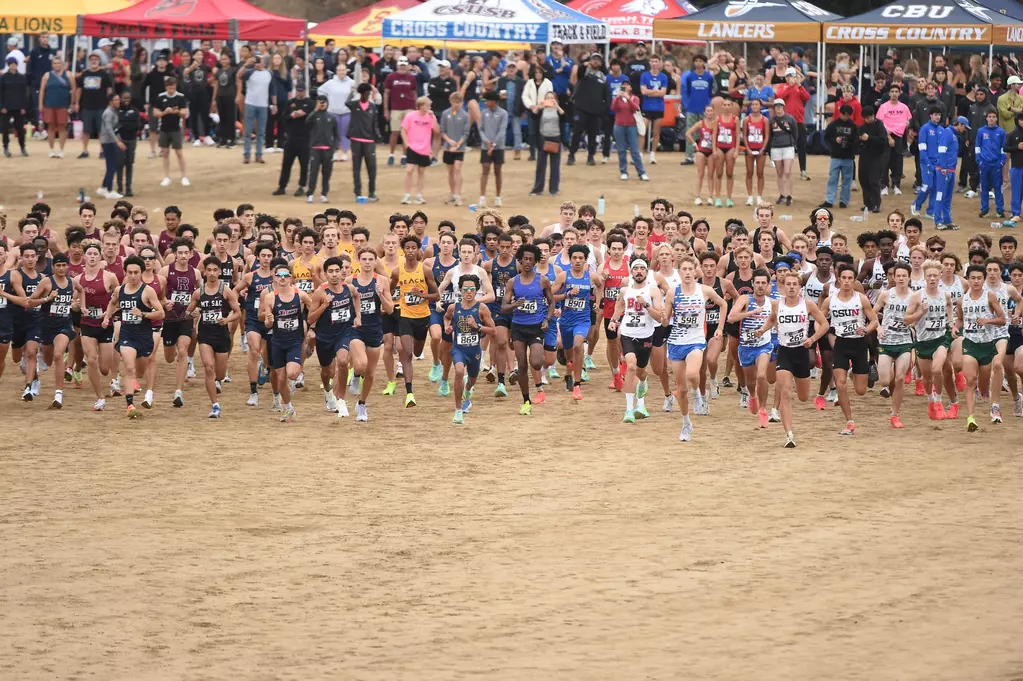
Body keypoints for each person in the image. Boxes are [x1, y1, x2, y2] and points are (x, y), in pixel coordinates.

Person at [761, 269, 829, 447]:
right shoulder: (777, 304)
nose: (791, 287)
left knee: (803, 396)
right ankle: (789, 435)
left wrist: (812, 339)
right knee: (784, 392)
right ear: (783, 286)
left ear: (800, 287)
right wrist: (762, 329)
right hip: (784, 352)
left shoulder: (808, 305)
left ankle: (800, 391)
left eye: (795, 284)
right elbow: (771, 320)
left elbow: (824, 324)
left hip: (801, 353)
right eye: (788, 284)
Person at [102, 255, 165, 419]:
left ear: (141, 273)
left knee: (140, 371)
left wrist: (143, 314)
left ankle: (142, 390)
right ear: (125, 273)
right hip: (127, 334)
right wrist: (107, 317)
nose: (132, 276)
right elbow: (113, 302)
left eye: (136, 272)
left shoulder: (147, 291)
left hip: (144, 336)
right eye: (129, 272)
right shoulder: (120, 290)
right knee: (129, 368)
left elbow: (161, 313)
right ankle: (130, 404)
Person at [819, 264, 879, 435]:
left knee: (861, 390)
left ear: (854, 280)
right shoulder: (831, 300)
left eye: (850, 278)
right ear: (838, 279)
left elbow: (874, 320)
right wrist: (818, 330)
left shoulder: (861, 299)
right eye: (843, 278)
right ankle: (849, 422)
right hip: (841, 344)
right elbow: (820, 317)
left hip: (859, 344)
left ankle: (855, 373)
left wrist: (867, 330)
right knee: (841, 384)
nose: (846, 281)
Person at [500, 244, 554, 415]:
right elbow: (503, 307)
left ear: (536, 261)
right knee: (522, 364)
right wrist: (515, 304)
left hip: (536, 327)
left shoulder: (542, 280)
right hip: (518, 327)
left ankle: (537, 382)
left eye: (531, 259)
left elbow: (551, 302)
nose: (528, 262)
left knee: (536, 362)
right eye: (525, 259)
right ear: (520, 260)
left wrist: (547, 319)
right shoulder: (512, 282)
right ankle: (526, 400)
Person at [608, 257, 662, 423]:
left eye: (642, 269)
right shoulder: (625, 291)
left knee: (641, 371)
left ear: (646, 272)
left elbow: (659, 317)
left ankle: (643, 390)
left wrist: (646, 305)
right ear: (631, 272)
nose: (639, 271)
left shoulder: (653, 290)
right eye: (636, 268)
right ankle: (629, 409)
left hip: (646, 335)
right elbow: (619, 307)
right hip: (627, 334)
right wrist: (613, 320)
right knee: (630, 366)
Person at [260, 260, 313, 422]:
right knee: (280, 377)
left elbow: (313, 310)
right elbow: (267, 323)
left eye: (285, 275)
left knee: (292, 374)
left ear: (291, 277)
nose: (282, 278)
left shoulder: (300, 295)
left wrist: (311, 328)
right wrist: (269, 320)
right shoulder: (270, 298)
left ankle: (294, 379)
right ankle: (289, 408)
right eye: (279, 275)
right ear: (274, 278)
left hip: (295, 341)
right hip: (277, 341)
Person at [187, 257, 241, 418]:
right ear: (205, 272)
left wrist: (226, 320)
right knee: (208, 367)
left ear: (219, 272)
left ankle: (218, 381)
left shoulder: (226, 291)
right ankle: (215, 405)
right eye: (208, 270)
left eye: (214, 270)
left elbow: (237, 312)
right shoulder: (199, 292)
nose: (211, 273)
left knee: (220, 374)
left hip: (222, 335)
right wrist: (193, 313)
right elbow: (187, 312)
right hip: (205, 334)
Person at [308, 256, 361, 417]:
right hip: (324, 337)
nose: (334, 274)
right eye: (330, 271)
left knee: (343, 361)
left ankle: (341, 400)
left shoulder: (349, 288)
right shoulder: (320, 292)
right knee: (327, 372)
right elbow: (310, 319)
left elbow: (357, 297)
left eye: (337, 271)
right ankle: (327, 391)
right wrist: (324, 305)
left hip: (343, 333)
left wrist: (358, 316)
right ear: (325, 274)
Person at [390, 235, 438, 407]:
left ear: (418, 250)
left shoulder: (425, 270)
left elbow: (437, 295)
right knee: (407, 353)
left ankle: (410, 387)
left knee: (417, 352)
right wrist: (388, 304)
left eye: (413, 248)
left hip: (422, 316)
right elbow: (390, 292)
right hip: (405, 316)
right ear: (403, 250)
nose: (410, 251)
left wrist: (421, 295)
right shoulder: (397, 272)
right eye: (407, 248)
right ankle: (409, 393)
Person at [956, 264, 1006, 432]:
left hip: (987, 345)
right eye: (973, 278)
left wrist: (987, 321)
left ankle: (985, 392)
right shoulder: (962, 300)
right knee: (970, 380)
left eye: (979, 278)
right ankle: (971, 418)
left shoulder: (990, 296)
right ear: (968, 279)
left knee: (983, 386)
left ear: (983, 279)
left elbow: (1002, 319)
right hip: (970, 344)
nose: (976, 281)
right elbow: (960, 320)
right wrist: (955, 328)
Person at [29, 253, 81, 408]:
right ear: (53, 267)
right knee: (49, 359)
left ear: (67, 266)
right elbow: (30, 301)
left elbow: (81, 290)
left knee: (59, 354)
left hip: (64, 325)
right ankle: (37, 371)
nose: (61, 268)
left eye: (64, 265)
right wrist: (47, 299)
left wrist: (79, 306)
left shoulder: (71, 282)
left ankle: (58, 393)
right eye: (58, 265)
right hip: (46, 326)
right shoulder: (46, 282)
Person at [906, 259, 955, 420]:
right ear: (924, 277)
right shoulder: (916, 296)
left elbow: (949, 308)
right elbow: (906, 319)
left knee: (937, 370)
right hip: (923, 341)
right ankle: (931, 400)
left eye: (935, 275)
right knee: (927, 377)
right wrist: (920, 312)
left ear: (940, 276)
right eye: (929, 276)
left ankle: (940, 402)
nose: (932, 278)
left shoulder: (946, 294)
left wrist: (951, 324)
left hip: (941, 339)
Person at [445, 274, 496, 424]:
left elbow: (493, 331)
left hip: (474, 351)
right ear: (460, 290)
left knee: (472, 379)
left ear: (476, 290)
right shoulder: (454, 308)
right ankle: (458, 410)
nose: (468, 292)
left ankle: (467, 392)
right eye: (465, 289)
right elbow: (447, 317)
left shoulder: (482, 308)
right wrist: (447, 327)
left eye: (472, 289)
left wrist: (477, 326)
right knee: (459, 371)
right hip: (458, 349)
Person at [728, 268, 775, 428]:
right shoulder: (745, 299)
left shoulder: (772, 303)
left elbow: (778, 319)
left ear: (768, 285)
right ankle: (752, 395)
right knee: (750, 381)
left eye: (764, 283)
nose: (760, 286)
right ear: (752, 284)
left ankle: (763, 409)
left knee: (762, 376)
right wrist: (750, 313)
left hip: (764, 345)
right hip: (746, 347)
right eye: (757, 283)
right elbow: (731, 317)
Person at [873, 262, 914, 428]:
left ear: (909, 277)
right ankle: (888, 384)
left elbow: (919, 317)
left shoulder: (915, 296)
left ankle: (895, 414)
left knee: (899, 378)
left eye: (904, 275)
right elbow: (872, 313)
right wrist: (878, 328)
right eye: (898, 276)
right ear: (893, 277)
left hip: (904, 341)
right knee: (884, 380)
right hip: (887, 341)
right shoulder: (885, 294)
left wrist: (914, 324)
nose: (901, 278)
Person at [569, 53, 609, 167]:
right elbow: (579, 72)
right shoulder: (585, 72)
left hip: (595, 111)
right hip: (581, 108)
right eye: (594, 59)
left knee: (593, 135)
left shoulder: (603, 77)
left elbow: (606, 94)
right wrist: (584, 64)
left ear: (601, 63)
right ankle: (571, 154)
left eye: (598, 60)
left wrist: (604, 107)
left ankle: (591, 156)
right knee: (577, 132)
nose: (596, 61)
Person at [274, 82, 314, 197]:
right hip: (291, 138)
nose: (299, 92)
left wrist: (304, 115)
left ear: (304, 91)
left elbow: (312, 120)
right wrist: (291, 116)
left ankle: (301, 186)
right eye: (298, 90)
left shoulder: (309, 103)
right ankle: (282, 186)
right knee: (286, 163)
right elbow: (283, 119)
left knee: (304, 164)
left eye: (301, 90)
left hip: (304, 138)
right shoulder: (290, 103)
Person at [73, 53, 113, 159]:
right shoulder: (84, 74)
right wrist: (76, 103)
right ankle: (85, 150)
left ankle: (102, 151)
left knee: (101, 130)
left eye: (96, 59)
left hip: (101, 106)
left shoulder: (104, 74)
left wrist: (110, 103)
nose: (94, 61)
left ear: (99, 61)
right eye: (92, 59)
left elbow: (109, 89)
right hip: (86, 106)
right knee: (86, 130)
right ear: (89, 61)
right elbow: (79, 89)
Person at [774, 67, 811, 180]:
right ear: (786, 77)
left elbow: (807, 97)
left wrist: (799, 85)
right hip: (786, 120)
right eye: (789, 76)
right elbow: (780, 97)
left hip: (799, 120)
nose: (791, 78)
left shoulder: (799, 87)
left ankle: (803, 170)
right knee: (784, 144)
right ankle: (784, 169)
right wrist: (790, 86)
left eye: (792, 76)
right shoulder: (782, 87)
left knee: (801, 145)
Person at [399, 96, 438, 205]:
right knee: (409, 170)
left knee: (421, 172)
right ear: (421, 105)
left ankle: (419, 195)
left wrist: (433, 117)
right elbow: (403, 130)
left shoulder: (430, 117)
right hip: (412, 147)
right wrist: (407, 144)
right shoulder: (410, 116)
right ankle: (407, 195)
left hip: (425, 149)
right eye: (427, 105)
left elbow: (437, 130)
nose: (429, 107)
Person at [348, 82, 381, 202]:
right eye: (365, 93)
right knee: (356, 167)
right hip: (356, 140)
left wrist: (377, 135)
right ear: (361, 93)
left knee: (372, 167)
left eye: (369, 93)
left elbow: (375, 123)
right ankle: (358, 192)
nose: (367, 95)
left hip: (369, 140)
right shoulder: (354, 104)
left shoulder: (372, 106)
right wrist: (352, 92)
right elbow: (346, 102)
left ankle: (371, 192)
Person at [154, 77, 189, 188]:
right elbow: (156, 113)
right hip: (164, 128)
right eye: (169, 88)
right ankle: (166, 177)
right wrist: (165, 112)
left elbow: (185, 113)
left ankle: (184, 176)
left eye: (173, 88)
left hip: (176, 128)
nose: (171, 90)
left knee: (179, 153)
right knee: (165, 153)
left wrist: (176, 111)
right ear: (166, 87)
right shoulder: (161, 97)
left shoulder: (180, 97)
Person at [877, 84, 911, 196]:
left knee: (897, 161)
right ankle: (884, 186)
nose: (894, 93)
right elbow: (880, 123)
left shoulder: (904, 108)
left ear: (900, 93)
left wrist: (896, 131)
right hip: (885, 136)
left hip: (899, 137)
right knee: (884, 161)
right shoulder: (883, 107)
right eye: (892, 91)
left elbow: (906, 122)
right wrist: (888, 136)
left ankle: (896, 185)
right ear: (889, 93)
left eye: (897, 91)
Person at [240, 55, 275, 164]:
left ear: (264, 62)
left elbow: (273, 89)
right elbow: (239, 76)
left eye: (261, 61)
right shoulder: (250, 72)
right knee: (248, 131)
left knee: (261, 132)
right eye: (257, 60)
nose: (259, 63)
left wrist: (274, 104)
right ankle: (246, 154)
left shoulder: (269, 73)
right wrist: (246, 64)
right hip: (250, 103)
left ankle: (259, 155)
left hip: (263, 105)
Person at [37, 55, 74, 158]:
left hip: (63, 105)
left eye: (58, 63)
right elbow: (42, 91)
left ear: (62, 64)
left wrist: (73, 103)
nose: (56, 65)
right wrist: (40, 104)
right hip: (49, 105)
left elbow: (74, 90)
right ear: (52, 65)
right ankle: (52, 149)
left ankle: (61, 149)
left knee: (62, 127)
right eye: (54, 63)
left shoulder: (69, 75)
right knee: (51, 127)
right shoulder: (47, 76)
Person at [681, 54, 714, 166]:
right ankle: (689, 156)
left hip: (704, 108)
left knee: (706, 133)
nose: (698, 63)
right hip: (692, 107)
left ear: (704, 63)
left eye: (701, 61)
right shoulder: (690, 76)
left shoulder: (709, 77)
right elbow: (689, 91)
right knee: (690, 132)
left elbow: (709, 92)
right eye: (696, 61)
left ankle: (706, 154)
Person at [383, 56, 417, 166]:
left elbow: (414, 92)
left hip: (409, 107)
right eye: (401, 65)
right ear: (397, 65)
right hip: (396, 108)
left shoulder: (411, 77)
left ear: (407, 66)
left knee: (407, 133)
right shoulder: (391, 77)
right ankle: (391, 154)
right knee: (395, 132)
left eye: (404, 65)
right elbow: (386, 93)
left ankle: (404, 155)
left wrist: (416, 107)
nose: (402, 67)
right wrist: (386, 109)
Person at [821, 104, 856, 209]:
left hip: (848, 157)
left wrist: (849, 145)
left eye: (847, 115)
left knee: (847, 180)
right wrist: (833, 142)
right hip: (836, 156)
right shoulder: (833, 125)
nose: (845, 117)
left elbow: (856, 141)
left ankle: (844, 201)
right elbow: (826, 138)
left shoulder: (853, 126)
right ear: (840, 113)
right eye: (843, 115)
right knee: (832, 179)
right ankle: (830, 200)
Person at [911, 106, 943, 220]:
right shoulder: (924, 129)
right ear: (930, 115)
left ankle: (931, 211)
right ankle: (916, 204)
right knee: (927, 185)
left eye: (939, 115)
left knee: (935, 187)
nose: (937, 117)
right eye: (935, 114)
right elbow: (922, 148)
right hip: (926, 163)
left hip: (938, 163)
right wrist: (927, 162)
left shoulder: (941, 130)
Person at [307, 94, 339, 203]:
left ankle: (324, 194)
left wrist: (335, 147)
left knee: (327, 173)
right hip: (315, 148)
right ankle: (310, 194)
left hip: (328, 149)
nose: (322, 103)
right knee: (313, 172)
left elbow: (336, 134)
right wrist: (315, 110)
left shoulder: (332, 117)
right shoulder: (314, 115)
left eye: (324, 101)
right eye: (320, 101)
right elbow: (307, 122)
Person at [440, 91, 470, 205]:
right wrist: (449, 141)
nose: (456, 104)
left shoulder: (465, 115)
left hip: (460, 147)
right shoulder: (445, 113)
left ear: (462, 103)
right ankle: (452, 193)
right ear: (450, 101)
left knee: (457, 169)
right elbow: (442, 131)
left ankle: (458, 194)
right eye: (454, 102)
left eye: (458, 102)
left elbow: (466, 133)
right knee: (450, 171)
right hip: (448, 146)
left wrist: (458, 144)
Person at [976, 109, 1007, 219]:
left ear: (997, 118)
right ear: (986, 118)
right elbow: (977, 147)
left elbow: (1003, 148)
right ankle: (984, 209)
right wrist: (978, 160)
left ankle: (1000, 209)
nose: (991, 119)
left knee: (998, 187)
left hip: (996, 164)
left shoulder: (1001, 132)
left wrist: (1002, 161)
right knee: (984, 187)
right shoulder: (980, 131)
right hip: (984, 163)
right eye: (990, 116)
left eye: (994, 117)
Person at [858, 106, 889, 213]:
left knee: (873, 181)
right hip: (864, 156)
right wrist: (861, 140)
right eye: (866, 118)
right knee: (863, 180)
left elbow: (883, 141)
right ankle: (868, 203)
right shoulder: (862, 127)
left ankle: (876, 203)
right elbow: (858, 140)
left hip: (876, 157)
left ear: (873, 115)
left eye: (869, 117)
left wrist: (869, 138)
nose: (868, 119)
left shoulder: (879, 126)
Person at [479, 91, 507, 208]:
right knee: (485, 169)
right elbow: (481, 129)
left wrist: (494, 144)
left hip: (498, 147)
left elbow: (502, 131)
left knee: (497, 171)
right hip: (486, 146)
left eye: (487, 100)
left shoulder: (503, 114)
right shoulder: (484, 113)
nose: (485, 103)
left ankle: (498, 197)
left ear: (494, 102)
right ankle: (482, 197)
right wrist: (487, 142)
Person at [685, 104, 716, 205]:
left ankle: (710, 196)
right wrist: (695, 144)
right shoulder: (701, 123)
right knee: (700, 174)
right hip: (701, 150)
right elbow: (688, 133)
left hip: (712, 151)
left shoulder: (716, 123)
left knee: (711, 174)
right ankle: (697, 196)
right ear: (704, 112)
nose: (710, 113)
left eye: (711, 111)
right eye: (708, 111)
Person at [98, 93, 127, 200]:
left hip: (109, 141)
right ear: (110, 101)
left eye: (118, 100)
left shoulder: (113, 111)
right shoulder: (108, 113)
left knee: (111, 165)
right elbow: (109, 129)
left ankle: (104, 187)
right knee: (112, 166)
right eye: (115, 100)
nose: (118, 101)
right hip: (108, 142)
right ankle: (109, 190)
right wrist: (117, 141)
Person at [770, 99, 797, 205]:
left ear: (783, 107)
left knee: (787, 171)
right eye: (776, 106)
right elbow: (770, 134)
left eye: (780, 106)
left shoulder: (790, 119)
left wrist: (792, 143)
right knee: (780, 172)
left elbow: (795, 133)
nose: (778, 108)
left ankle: (789, 194)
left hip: (788, 147)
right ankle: (782, 194)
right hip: (776, 147)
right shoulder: (772, 121)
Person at [0, 56, 29, 157]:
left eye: (14, 64)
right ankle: (6, 148)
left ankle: (22, 147)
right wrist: (1, 106)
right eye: (11, 64)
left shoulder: (22, 77)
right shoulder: (3, 78)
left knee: (20, 129)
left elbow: (24, 93)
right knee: (5, 129)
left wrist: (24, 107)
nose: (13, 66)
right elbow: (0, 93)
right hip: (6, 107)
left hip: (18, 107)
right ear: (8, 65)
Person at [742, 98, 769, 206]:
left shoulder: (765, 120)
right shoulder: (746, 120)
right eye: (752, 104)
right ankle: (749, 196)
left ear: (760, 106)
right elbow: (744, 135)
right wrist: (747, 148)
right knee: (749, 172)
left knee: (760, 173)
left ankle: (759, 196)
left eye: (756, 104)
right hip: (750, 147)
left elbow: (766, 135)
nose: (754, 106)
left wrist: (763, 148)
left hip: (760, 147)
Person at [115, 91, 142, 197]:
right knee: (120, 164)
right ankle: (120, 188)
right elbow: (116, 124)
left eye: (128, 98)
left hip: (131, 140)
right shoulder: (117, 110)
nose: (126, 100)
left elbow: (138, 125)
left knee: (129, 164)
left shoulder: (135, 110)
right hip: (120, 140)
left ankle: (129, 188)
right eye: (124, 98)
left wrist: (125, 125)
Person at [211, 52, 238, 147]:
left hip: (230, 96)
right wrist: (214, 98)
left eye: (226, 59)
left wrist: (237, 95)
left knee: (231, 118)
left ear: (229, 60)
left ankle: (232, 138)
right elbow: (216, 85)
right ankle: (223, 138)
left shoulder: (234, 70)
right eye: (222, 59)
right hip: (220, 96)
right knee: (222, 118)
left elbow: (237, 83)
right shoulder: (219, 71)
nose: (224, 61)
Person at [1004, 112, 1023, 227]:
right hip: (1016, 167)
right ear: (1017, 120)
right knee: (1016, 191)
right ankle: (1016, 213)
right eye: (1021, 119)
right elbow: (1006, 148)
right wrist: (1018, 147)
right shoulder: (1012, 134)